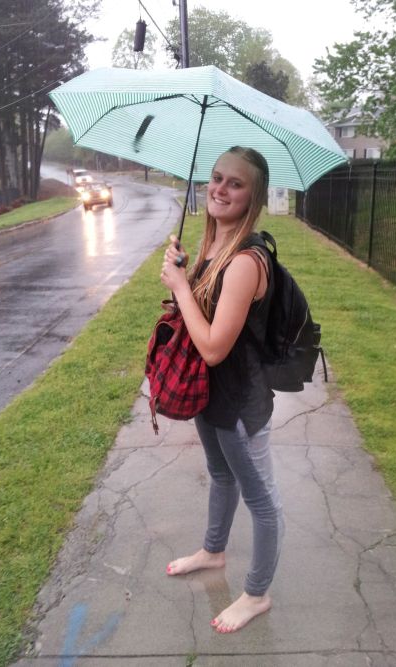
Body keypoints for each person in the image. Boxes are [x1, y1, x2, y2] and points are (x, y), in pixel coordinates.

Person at [160, 146, 284, 634]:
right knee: (220, 474)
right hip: (207, 395)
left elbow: (212, 347)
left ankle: (256, 594)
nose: (219, 189)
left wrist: (182, 287)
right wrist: (181, 274)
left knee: (262, 500)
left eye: (235, 183)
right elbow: (199, 319)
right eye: (215, 178)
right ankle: (213, 551)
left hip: (239, 402)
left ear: (253, 196)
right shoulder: (216, 248)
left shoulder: (246, 262)